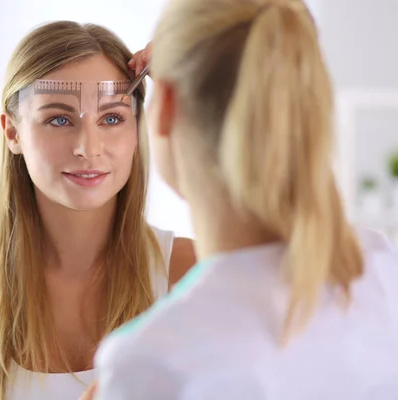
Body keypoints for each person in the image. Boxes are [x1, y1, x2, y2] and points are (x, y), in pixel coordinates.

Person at [90, 0, 398, 399]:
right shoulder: (381, 267)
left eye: (113, 117)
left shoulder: (151, 360)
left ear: (165, 105)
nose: (88, 147)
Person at [0, 21, 196, 400]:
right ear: (13, 133)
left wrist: (210, 50)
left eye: (112, 118)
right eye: (59, 119)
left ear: (138, 128)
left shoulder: (190, 276)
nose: (88, 146)